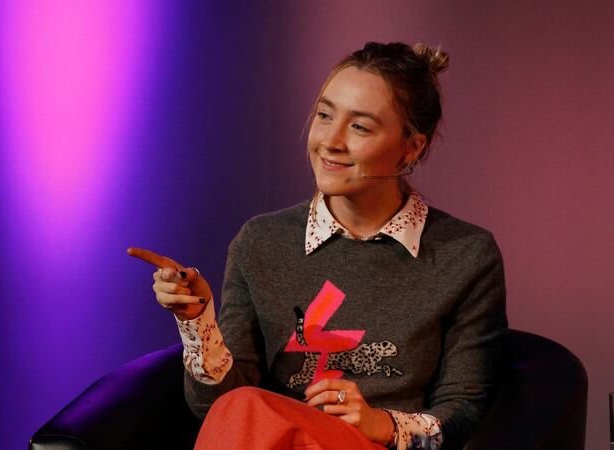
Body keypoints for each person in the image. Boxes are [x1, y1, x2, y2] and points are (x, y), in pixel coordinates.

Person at [129, 41, 507, 450]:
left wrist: (381, 424)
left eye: (360, 127)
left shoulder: (465, 254)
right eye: (325, 116)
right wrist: (197, 322)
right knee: (244, 409)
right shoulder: (261, 241)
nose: (331, 141)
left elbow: (464, 412)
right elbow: (220, 411)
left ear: (410, 148)